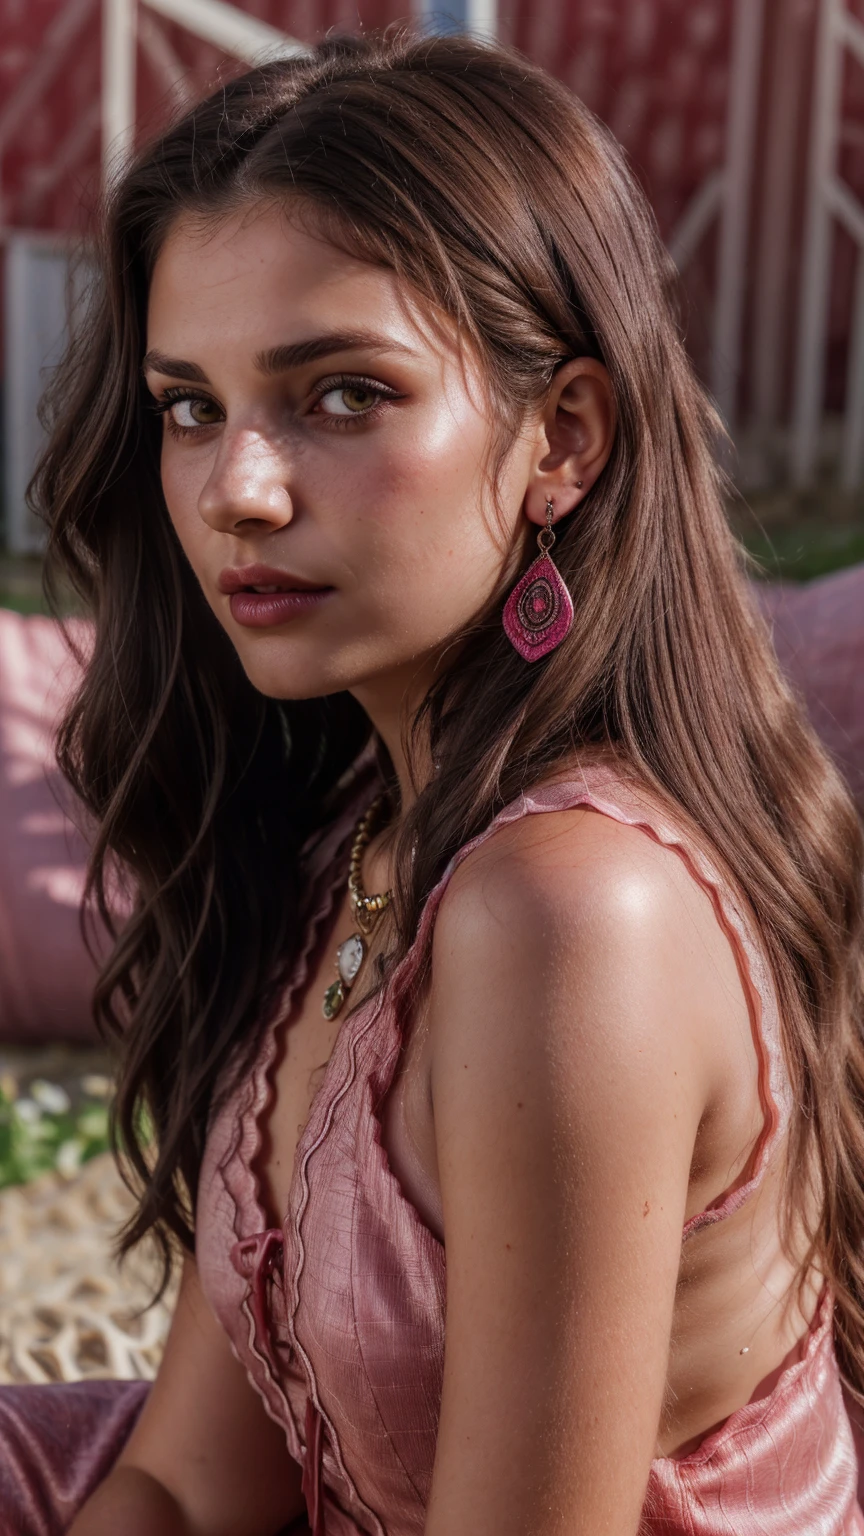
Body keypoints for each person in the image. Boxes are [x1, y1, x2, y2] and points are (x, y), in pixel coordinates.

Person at [3, 26, 864, 1536]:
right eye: (190, 405)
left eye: (342, 395)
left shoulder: (573, 911)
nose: (235, 489)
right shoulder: (365, 826)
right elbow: (192, 1488)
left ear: (564, 439)